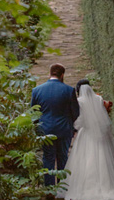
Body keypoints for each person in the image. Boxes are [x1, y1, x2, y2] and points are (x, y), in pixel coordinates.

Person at [56, 81, 114, 200]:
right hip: (101, 135)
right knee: (104, 158)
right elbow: (103, 116)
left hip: (86, 134)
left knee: (85, 159)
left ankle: (86, 186)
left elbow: (80, 120)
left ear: (78, 90)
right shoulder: (99, 99)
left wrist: (75, 126)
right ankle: (109, 185)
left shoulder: (79, 102)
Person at [31, 63, 80, 192]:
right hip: (64, 129)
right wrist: (70, 125)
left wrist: (37, 129)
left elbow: (33, 113)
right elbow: (75, 112)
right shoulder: (69, 90)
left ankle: (49, 189)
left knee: (48, 158)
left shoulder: (37, 90)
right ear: (62, 75)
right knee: (63, 157)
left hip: (45, 130)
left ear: (50, 73)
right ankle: (62, 189)